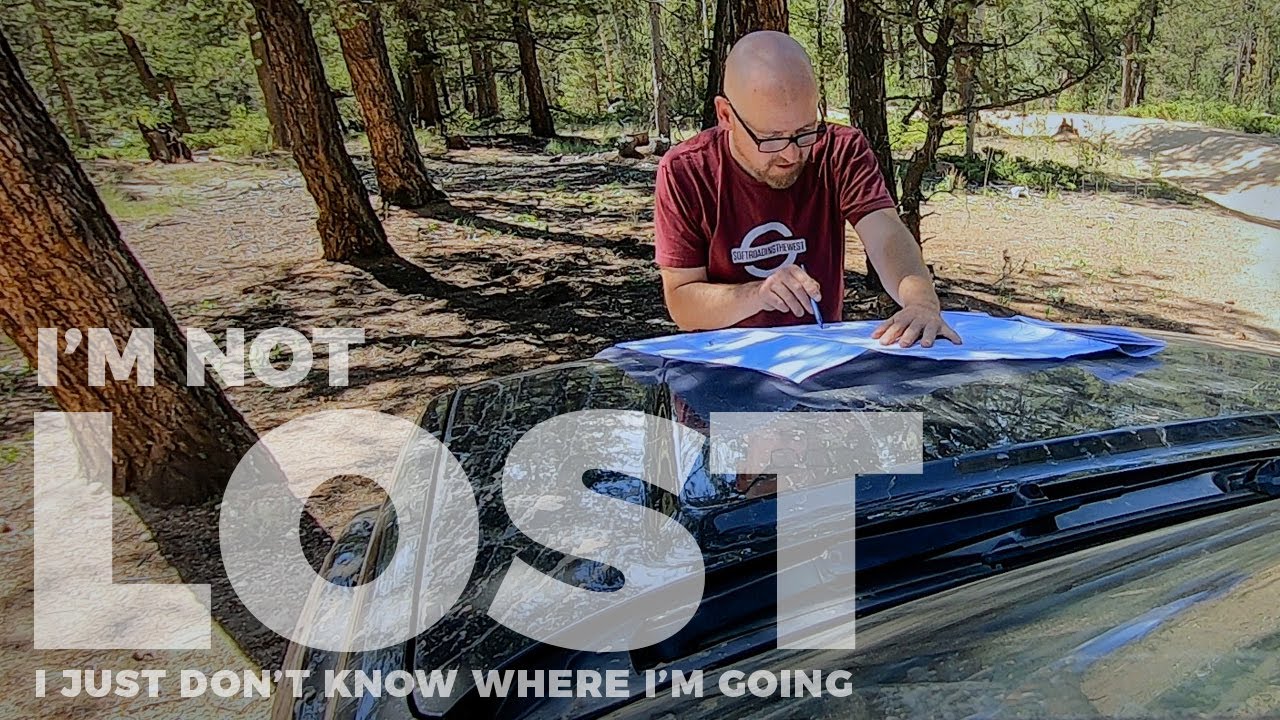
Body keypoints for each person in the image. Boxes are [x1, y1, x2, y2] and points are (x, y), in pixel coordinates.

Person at [654, 31, 962, 349]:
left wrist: (921, 301)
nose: (791, 154)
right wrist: (758, 294)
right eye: (771, 138)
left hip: (820, 356)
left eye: (805, 131)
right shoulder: (686, 171)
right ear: (726, 115)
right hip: (722, 360)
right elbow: (682, 303)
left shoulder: (839, 150)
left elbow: (886, 235)